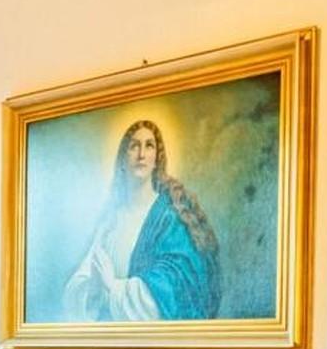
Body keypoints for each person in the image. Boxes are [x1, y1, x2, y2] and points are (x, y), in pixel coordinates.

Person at [64, 119, 220, 321]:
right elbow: (79, 282)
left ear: (157, 159)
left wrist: (114, 287)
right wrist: (93, 290)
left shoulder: (169, 217)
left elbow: (175, 288)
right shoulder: (110, 221)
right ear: (123, 159)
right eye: (134, 146)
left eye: (149, 146)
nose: (141, 154)